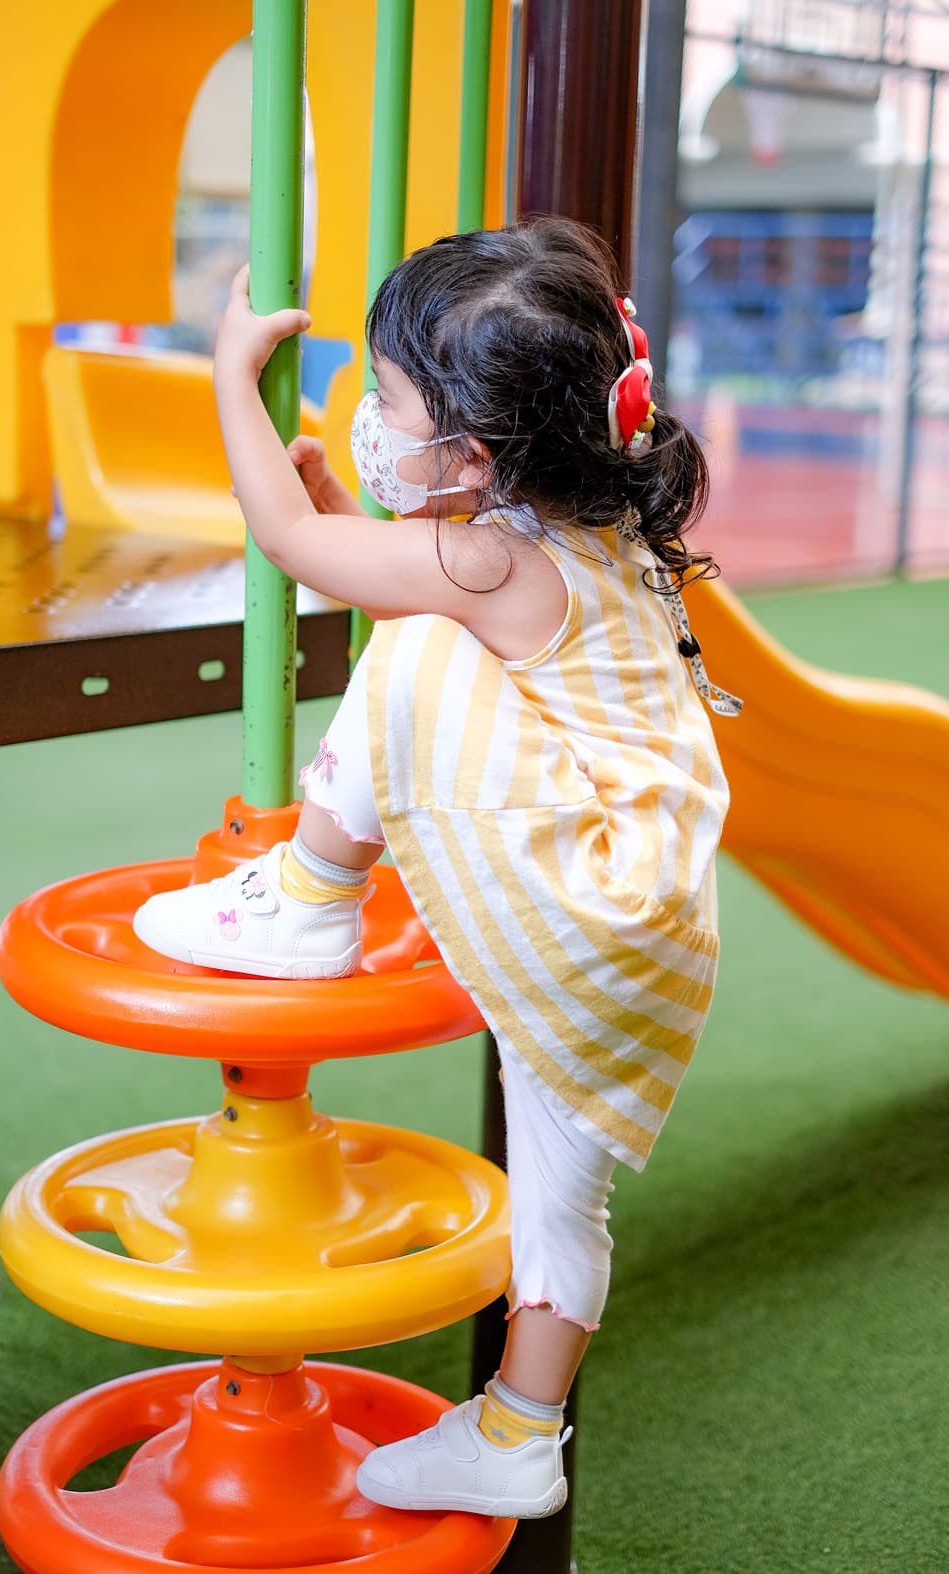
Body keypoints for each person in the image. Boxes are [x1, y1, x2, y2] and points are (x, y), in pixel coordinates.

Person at [134, 218, 741, 1520]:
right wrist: (345, 509)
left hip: (588, 890)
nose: (371, 416)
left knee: (411, 657)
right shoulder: (577, 526)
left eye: (388, 399)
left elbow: (297, 551)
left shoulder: (488, 555)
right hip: (646, 929)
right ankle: (517, 1433)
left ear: (475, 453)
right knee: (562, 1208)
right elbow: (403, 577)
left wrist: (230, 376)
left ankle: (308, 900)